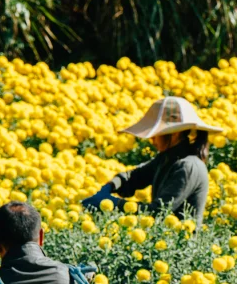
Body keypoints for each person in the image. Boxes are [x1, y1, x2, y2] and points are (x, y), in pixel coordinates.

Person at [81, 96, 222, 225]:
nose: (152, 139)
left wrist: (114, 203)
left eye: (157, 133)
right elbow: (134, 177)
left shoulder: (187, 167)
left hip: (181, 247)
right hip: (163, 242)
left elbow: (159, 211)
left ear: (175, 133)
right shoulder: (168, 158)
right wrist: (110, 186)